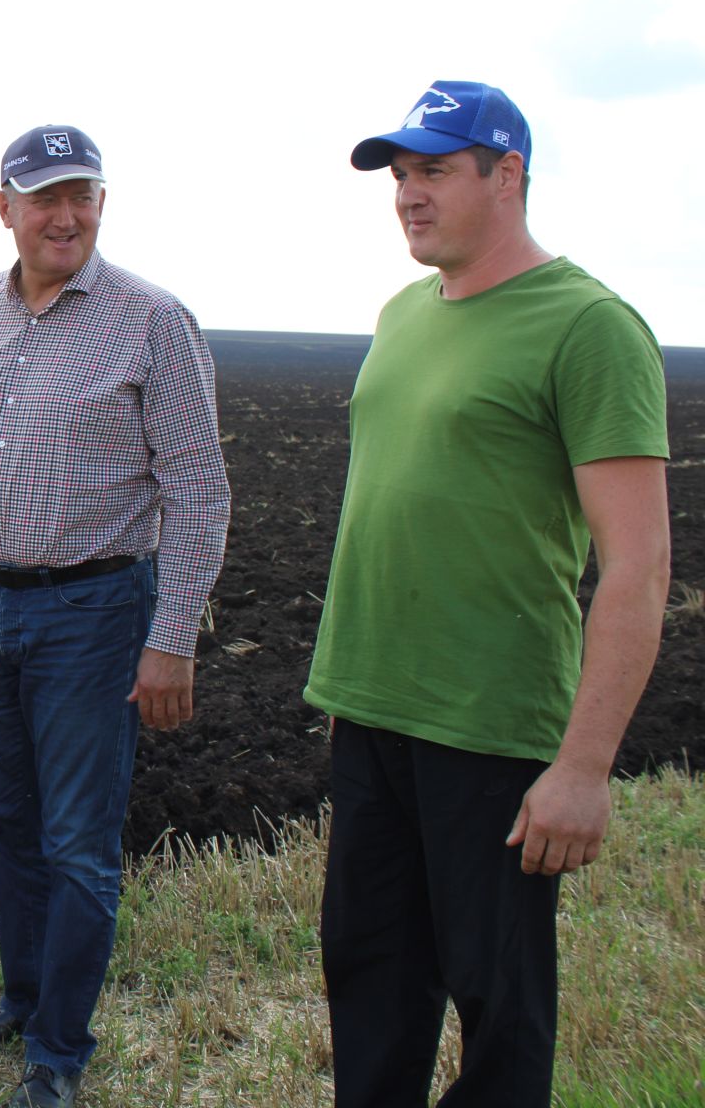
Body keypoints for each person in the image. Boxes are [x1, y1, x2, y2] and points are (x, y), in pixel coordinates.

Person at [306, 82, 670, 1106]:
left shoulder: (589, 327)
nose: (407, 195)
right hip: (375, 706)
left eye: (433, 171)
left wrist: (585, 765)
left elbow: (638, 565)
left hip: (492, 725)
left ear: (506, 175)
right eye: (400, 175)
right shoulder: (404, 312)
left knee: (497, 1007)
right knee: (371, 981)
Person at [0, 125, 231, 1107]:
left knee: (78, 839)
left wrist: (171, 637)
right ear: (5, 207)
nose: (64, 214)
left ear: (102, 202)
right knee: (6, 818)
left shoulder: (150, 321)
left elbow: (200, 492)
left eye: (81, 193)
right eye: (43, 196)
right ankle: (23, 996)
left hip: (95, 610)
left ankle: (58, 1053)